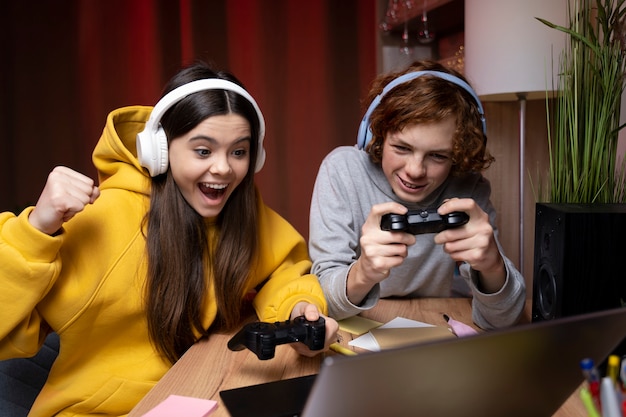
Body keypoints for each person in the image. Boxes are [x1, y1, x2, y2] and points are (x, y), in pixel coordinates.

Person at [0, 61, 338, 416]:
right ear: (158, 151)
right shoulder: (104, 219)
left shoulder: (239, 210)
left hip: (191, 392)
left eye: (239, 151)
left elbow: (282, 268)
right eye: (203, 151)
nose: (224, 168)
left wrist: (298, 308)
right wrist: (34, 231)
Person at [308, 60, 526, 328]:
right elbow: (320, 301)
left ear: (458, 156)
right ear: (374, 134)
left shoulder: (468, 188)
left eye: (437, 156)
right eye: (401, 148)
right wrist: (364, 272)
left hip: (435, 321)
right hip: (356, 328)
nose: (414, 171)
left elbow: (503, 320)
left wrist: (492, 265)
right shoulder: (342, 171)